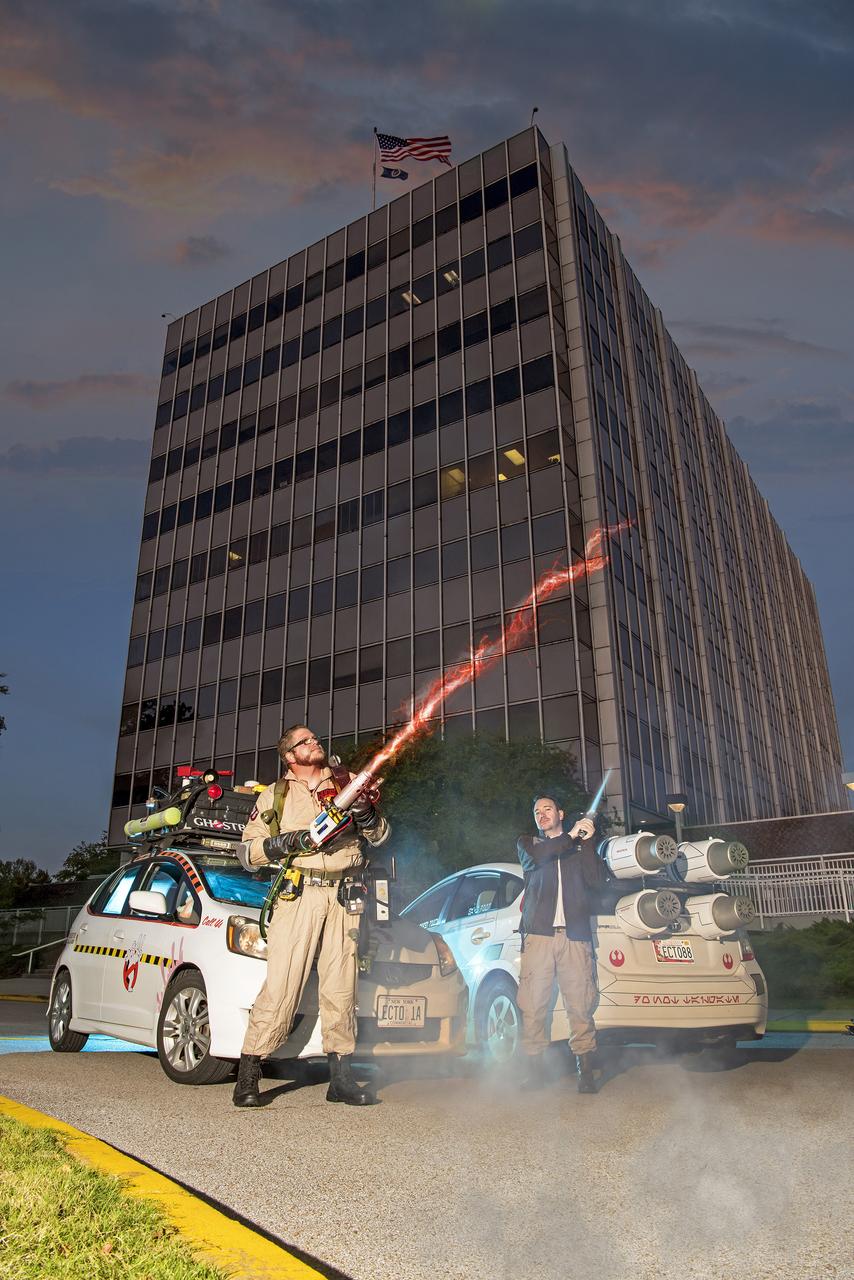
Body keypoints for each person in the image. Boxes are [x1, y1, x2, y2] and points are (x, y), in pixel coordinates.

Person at [232, 727, 388, 1108]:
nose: (314, 742)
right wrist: (288, 842)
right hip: (299, 893)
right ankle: (248, 1072)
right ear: (290, 756)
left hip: (345, 894)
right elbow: (247, 852)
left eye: (314, 738)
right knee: (282, 985)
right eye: (304, 741)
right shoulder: (276, 795)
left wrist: (367, 815)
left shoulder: (347, 781)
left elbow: (382, 837)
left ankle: (341, 1078)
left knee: (341, 986)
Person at [516, 794, 604, 1094]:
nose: (542, 815)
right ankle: (535, 1071)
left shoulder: (576, 848)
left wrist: (588, 842)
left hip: (575, 936)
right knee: (533, 1003)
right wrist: (571, 835)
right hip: (539, 936)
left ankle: (586, 1071)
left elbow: (595, 881)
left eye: (548, 809)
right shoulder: (529, 844)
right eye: (537, 811)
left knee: (580, 1004)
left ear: (561, 813)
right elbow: (539, 856)